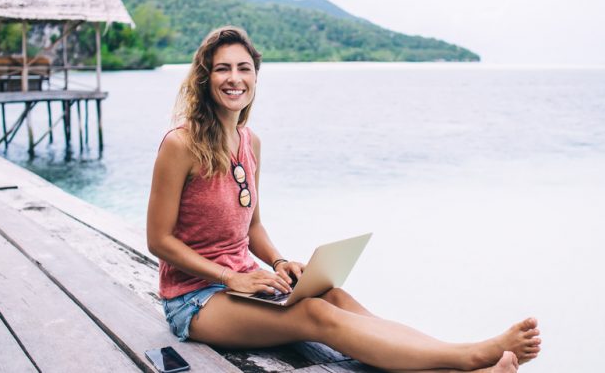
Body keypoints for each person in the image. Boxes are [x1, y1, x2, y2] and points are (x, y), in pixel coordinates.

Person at [146, 26, 541, 372]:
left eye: (243, 68)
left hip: (247, 282)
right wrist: (230, 276)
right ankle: (472, 355)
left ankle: (456, 365)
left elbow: (253, 228)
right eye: (223, 68)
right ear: (205, 78)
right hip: (194, 301)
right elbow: (158, 240)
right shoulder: (180, 145)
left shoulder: (251, 142)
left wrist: (281, 263)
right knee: (314, 313)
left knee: (335, 296)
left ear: (256, 77)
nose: (235, 78)